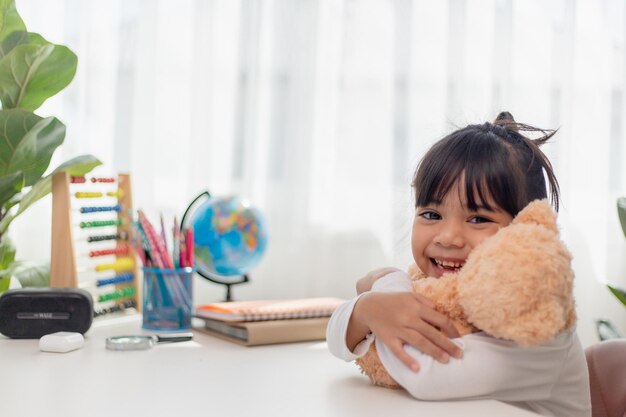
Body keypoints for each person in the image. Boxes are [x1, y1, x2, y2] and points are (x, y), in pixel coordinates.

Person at [326, 112, 591, 417]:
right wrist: (366, 310)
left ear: (524, 232)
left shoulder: (536, 326)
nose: (449, 237)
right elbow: (336, 341)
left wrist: (386, 290)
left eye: (478, 219)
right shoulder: (431, 287)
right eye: (431, 215)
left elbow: (423, 373)